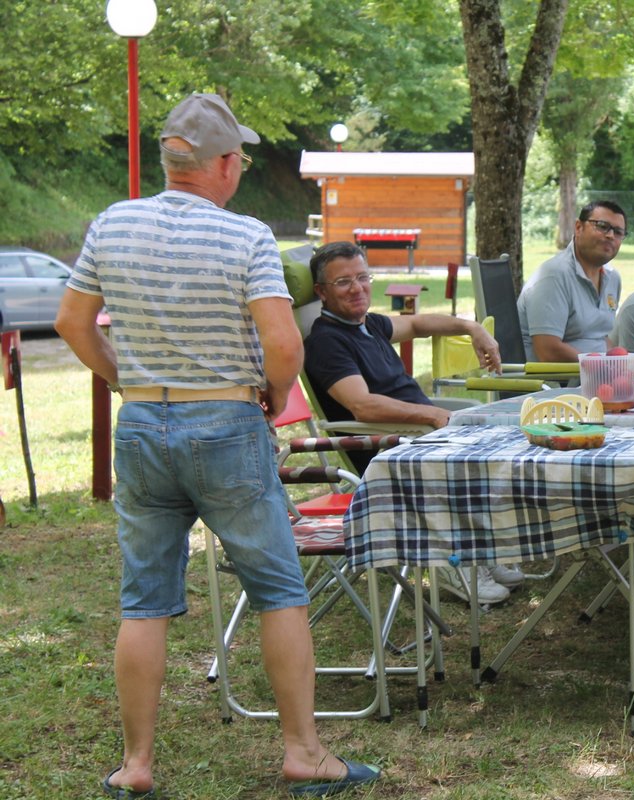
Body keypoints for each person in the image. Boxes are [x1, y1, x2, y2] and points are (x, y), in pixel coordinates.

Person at [55, 93, 379, 797]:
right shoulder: (246, 237)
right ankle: (303, 752)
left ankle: (136, 765)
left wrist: (124, 379)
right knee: (278, 590)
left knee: (144, 600)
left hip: (144, 425)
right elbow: (283, 342)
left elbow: (73, 323)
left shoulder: (112, 224)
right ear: (225, 163)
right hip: (226, 425)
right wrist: (270, 392)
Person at [303, 240, 521, 603]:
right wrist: (434, 415)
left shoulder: (367, 324)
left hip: (416, 436)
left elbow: (419, 323)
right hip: (384, 450)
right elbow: (363, 407)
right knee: (472, 456)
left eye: (362, 277)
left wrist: (472, 328)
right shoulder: (327, 343)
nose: (357, 288)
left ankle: (476, 553)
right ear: (321, 292)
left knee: (491, 445)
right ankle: (451, 563)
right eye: (343, 282)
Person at [517, 200, 626, 361]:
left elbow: (600, 336)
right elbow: (547, 351)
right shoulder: (553, 277)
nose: (610, 235)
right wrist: (601, 367)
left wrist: (620, 363)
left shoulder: (613, 278)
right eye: (602, 226)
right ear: (578, 227)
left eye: (618, 232)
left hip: (595, 376)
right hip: (558, 382)